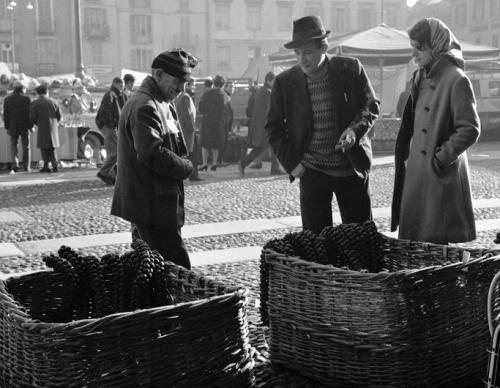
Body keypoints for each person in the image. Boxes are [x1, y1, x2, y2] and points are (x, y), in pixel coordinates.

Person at [266, 15, 380, 235]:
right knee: (317, 242)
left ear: (324, 46)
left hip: (351, 168)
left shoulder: (350, 68)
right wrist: (293, 164)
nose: (302, 59)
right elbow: (273, 128)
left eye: (307, 51)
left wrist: (354, 132)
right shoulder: (284, 83)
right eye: (297, 53)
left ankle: (360, 271)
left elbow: (370, 105)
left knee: (361, 238)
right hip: (312, 171)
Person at [391, 18, 480, 244]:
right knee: (418, 246)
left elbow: (469, 129)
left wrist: (440, 158)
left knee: (440, 250)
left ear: (436, 45)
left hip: (439, 177)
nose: (414, 54)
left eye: (419, 48)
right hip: (418, 174)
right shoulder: (420, 76)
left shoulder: (456, 79)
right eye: (413, 47)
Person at [111, 48, 197, 269]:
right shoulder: (146, 105)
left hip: (153, 204)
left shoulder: (158, 100)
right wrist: (186, 167)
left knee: (153, 271)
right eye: (178, 80)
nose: (182, 88)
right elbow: (151, 152)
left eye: (185, 82)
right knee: (177, 270)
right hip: (152, 206)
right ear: (159, 74)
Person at [240, 71, 283, 176]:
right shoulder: (268, 92)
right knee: (273, 145)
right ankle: (275, 169)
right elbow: (270, 111)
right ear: (268, 80)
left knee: (261, 147)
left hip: (259, 124)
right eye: (274, 81)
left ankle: (244, 163)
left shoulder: (260, 91)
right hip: (266, 124)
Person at [96, 77, 125, 185]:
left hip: (110, 126)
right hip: (109, 126)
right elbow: (106, 110)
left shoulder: (114, 94)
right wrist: (111, 125)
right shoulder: (110, 95)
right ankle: (104, 173)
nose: (122, 88)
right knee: (116, 153)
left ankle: (110, 176)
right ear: (115, 84)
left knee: (113, 151)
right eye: (121, 86)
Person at [29, 84, 62, 173]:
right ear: (47, 92)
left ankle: (46, 166)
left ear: (38, 93)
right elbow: (59, 116)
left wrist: (37, 123)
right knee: (52, 147)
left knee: (44, 147)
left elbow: (32, 117)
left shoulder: (35, 103)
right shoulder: (54, 102)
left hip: (42, 126)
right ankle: (55, 166)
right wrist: (54, 122)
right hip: (53, 127)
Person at [198, 75, 228, 171]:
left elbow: (201, 107)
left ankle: (204, 163)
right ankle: (214, 163)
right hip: (219, 122)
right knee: (216, 144)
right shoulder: (225, 95)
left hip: (207, 121)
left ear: (214, 83)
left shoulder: (207, 93)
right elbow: (227, 109)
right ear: (223, 85)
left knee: (205, 144)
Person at [175, 78, 202, 181]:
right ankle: (193, 174)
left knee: (188, 154)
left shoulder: (179, 97)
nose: (193, 87)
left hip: (183, 129)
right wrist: (193, 129)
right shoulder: (185, 97)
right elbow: (189, 115)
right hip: (188, 130)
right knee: (193, 154)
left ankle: (190, 174)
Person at [3, 80, 33, 173]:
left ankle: (14, 165)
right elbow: (30, 114)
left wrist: (7, 127)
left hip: (13, 126)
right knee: (26, 146)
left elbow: (6, 115)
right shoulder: (26, 99)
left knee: (13, 145)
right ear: (22, 88)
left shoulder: (7, 99)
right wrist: (31, 126)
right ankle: (26, 166)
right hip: (24, 126)